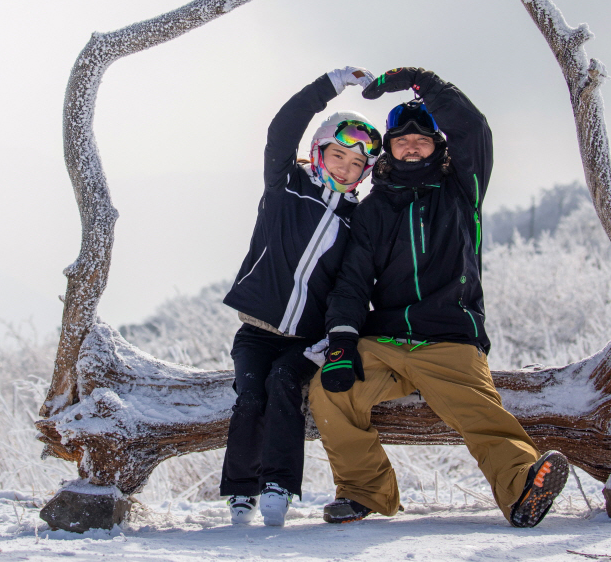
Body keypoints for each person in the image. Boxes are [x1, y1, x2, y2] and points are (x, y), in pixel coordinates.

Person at [309, 67, 569, 528]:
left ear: (438, 145)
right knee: (330, 394)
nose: (411, 145)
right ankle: (365, 492)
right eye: (402, 139)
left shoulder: (460, 191)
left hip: (450, 337)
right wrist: (343, 343)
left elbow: (474, 128)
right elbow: (351, 282)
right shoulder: (372, 211)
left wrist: (420, 81)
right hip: (385, 342)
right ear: (388, 149)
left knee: (480, 412)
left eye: (422, 138)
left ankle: (521, 488)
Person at [219, 67, 383, 526]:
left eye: (356, 165)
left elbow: (350, 288)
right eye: (338, 156)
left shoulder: (356, 222)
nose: (345, 169)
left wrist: (329, 341)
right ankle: (240, 492)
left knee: (283, 387)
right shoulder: (286, 186)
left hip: (306, 342)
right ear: (319, 151)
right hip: (256, 332)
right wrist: (328, 86)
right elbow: (281, 128)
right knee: (249, 396)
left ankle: (278, 484)